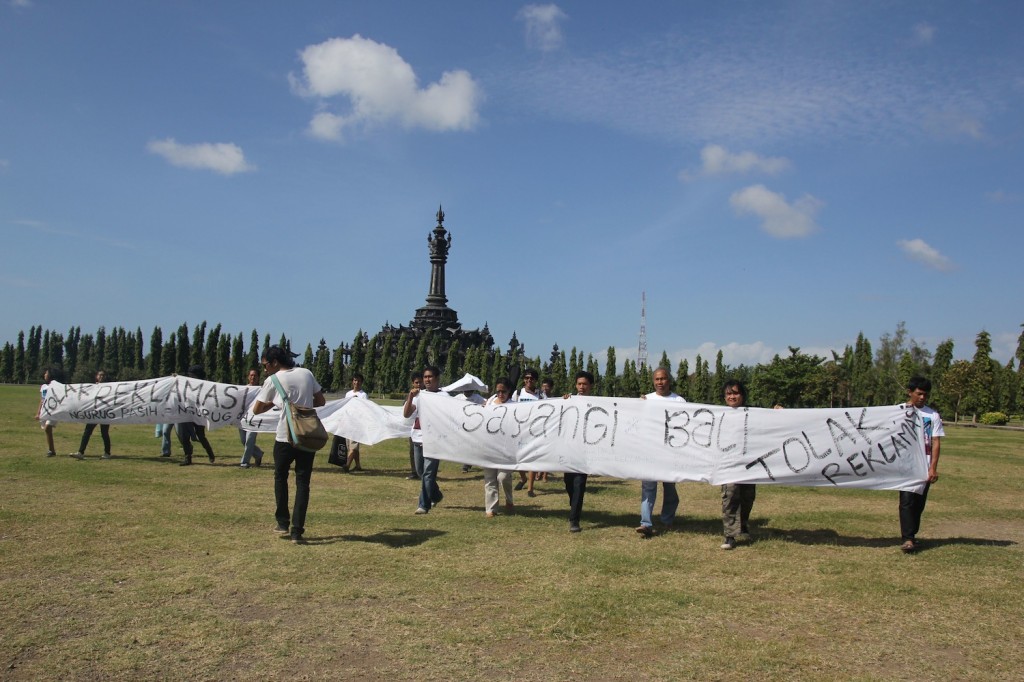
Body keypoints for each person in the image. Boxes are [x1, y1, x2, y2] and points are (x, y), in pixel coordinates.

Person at [251, 346, 326, 545]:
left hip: (285, 437)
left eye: (265, 364)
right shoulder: (307, 373)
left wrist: (280, 402)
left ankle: (282, 522)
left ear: (274, 362)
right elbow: (320, 400)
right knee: (303, 483)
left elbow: (257, 409)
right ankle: (297, 531)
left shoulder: (273, 380)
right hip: (306, 436)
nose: (265, 368)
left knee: (280, 478)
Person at [636, 367, 686, 538]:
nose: (660, 382)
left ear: (669, 380)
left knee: (670, 486)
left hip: (670, 451)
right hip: (649, 450)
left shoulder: (679, 401)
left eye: (663, 379)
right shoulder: (646, 399)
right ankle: (645, 523)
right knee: (648, 487)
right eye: (657, 379)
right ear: (653, 381)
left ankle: (667, 519)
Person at [899, 376, 944, 553]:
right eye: (919, 394)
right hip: (906, 464)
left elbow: (936, 442)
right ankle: (908, 538)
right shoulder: (899, 411)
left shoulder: (932, 416)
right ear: (910, 392)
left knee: (918, 503)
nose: (922, 398)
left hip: (924, 464)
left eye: (925, 395)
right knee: (907, 501)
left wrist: (933, 467)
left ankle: (912, 534)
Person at [720, 380, 756, 550]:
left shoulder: (754, 413)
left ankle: (743, 524)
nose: (732, 396)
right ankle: (730, 535)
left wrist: (778, 412)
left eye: (735, 393)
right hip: (728, 464)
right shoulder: (719, 414)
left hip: (749, 464)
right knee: (730, 495)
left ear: (742, 395)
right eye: (729, 393)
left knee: (748, 496)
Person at [404, 365, 443, 515]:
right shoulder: (419, 395)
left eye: (430, 377)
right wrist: (410, 397)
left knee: (427, 473)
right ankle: (436, 495)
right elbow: (407, 414)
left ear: (437, 379)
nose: (427, 380)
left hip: (434, 440)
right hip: (418, 438)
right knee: (421, 472)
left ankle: (424, 505)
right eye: (425, 377)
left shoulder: (444, 396)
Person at [562, 370, 595, 533]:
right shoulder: (568, 400)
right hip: (569, 449)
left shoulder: (598, 403)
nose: (582, 387)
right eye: (579, 384)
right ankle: (574, 504)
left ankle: (574, 519)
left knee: (579, 483)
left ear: (591, 386)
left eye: (585, 384)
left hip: (585, 451)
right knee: (568, 482)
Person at [481, 378, 516, 517]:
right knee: (490, 478)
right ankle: (491, 508)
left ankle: (509, 499)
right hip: (489, 444)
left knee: (503, 477)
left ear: (509, 392)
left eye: (504, 392)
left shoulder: (514, 406)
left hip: (506, 447)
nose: (500, 394)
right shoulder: (490, 402)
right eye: (498, 391)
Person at [512, 368, 543, 496]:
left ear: (536, 380)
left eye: (532, 378)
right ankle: (523, 478)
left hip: (534, 431)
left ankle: (530, 488)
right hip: (519, 430)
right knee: (517, 458)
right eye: (527, 378)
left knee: (532, 459)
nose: (529, 380)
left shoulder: (540, 395)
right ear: (524, 379)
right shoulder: (518, 393)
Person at [177, 365, 217, 466]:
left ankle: (210, 453)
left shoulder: (205, 386)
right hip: (186, 412)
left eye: (192, 375)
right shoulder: (185, 384)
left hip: (199, 413)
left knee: (200, 435)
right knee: (184, 435)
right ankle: (188, 457)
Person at [69, 369, 112, 460]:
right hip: (94, 413)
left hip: (104, 413)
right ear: (96, 376)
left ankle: (107, 453)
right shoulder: (92, 387)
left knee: (104, 433)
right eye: (100, 375)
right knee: (87, 431)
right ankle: (80, 452)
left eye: (103, 375)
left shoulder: (110, 387)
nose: (101, 377)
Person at [238, 368, 264, 468]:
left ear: (258, 377)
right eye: (251, 375)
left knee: (249, 440)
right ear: (248, 377)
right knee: (243, 441)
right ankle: (258, 454)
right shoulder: (243, 389)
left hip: (255, 419)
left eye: (255, 375)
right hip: (243, 418)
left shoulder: (261, 390)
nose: (253, 377)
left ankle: (244, 463)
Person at [343, 373, 369, 471]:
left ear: (361, 382)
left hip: (357, 423)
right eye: (355, 380)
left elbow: (365, 409)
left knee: (353, 446)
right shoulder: (348, 394)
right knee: (350, 445)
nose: (356, 382)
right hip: (348, 422)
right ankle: (358, 466)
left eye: (358, 381)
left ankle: (347, 465)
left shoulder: (363, 395)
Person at [36, 367, 62, 457]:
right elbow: (42, 400)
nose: (44, 375)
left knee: (47, 428)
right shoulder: (43, 387)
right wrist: (38, 412)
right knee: (47, 430)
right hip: (44, 411)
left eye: (46, 373)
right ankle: (51, 450)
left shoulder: (57, 386)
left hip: (53, 411)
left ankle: (51, 450)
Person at [405, 372, 423, 480]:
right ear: (413, 384)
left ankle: (423, 474)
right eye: (417, 382)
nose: (419, 385)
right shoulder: (413, 397)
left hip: (425, 430)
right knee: (413, 451)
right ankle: (414, 471)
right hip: (413, 429)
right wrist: (410, 397)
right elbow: (406, 413)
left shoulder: (428, 395)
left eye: (421, 382)